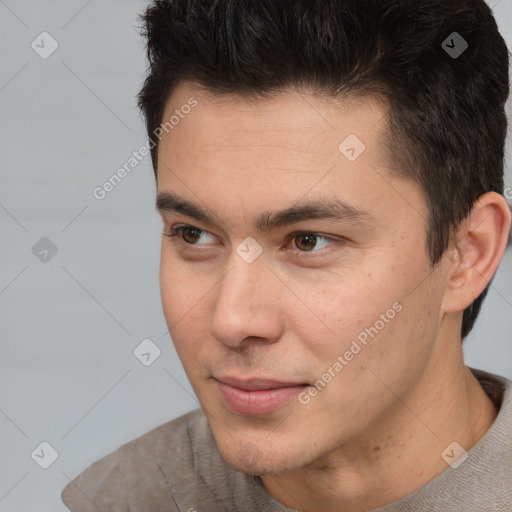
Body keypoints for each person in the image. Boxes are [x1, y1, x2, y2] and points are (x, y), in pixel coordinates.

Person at [61, 0, 512, 510]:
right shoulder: (124, 500)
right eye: (194, 235)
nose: (232, 320)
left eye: (308, 241)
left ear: (468, 253)